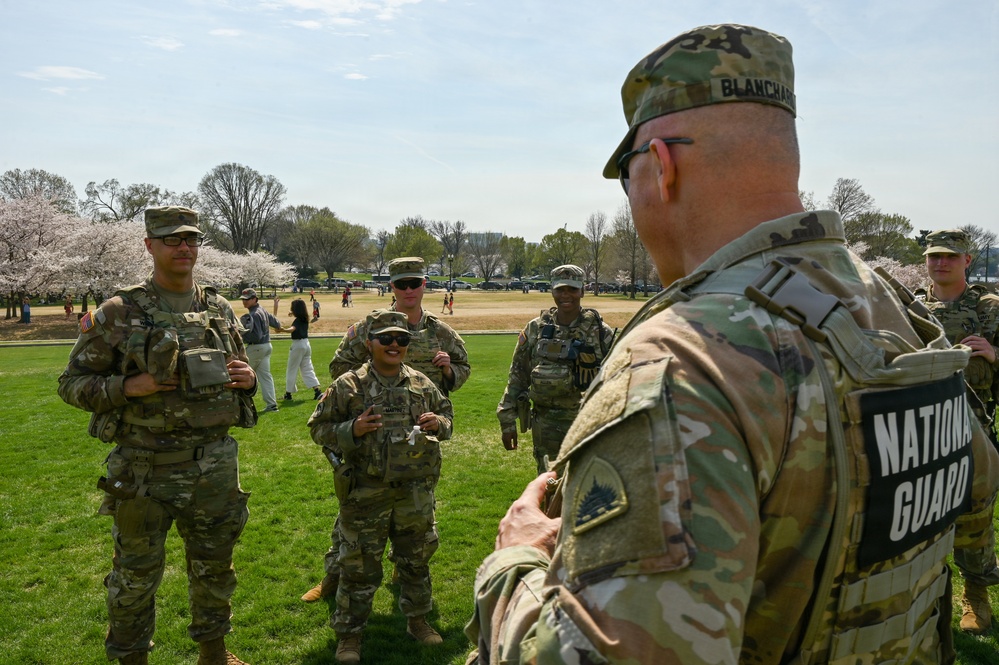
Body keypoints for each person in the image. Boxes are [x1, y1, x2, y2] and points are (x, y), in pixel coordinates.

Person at [465, 24, 999, 664]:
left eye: (626, 177)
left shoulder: (683, 358)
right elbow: (974, 487)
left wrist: (515, 562)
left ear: (661, 167)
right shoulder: (888, 304)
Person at [57, 206, 256, 665]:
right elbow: (70, 384)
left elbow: (238, 370)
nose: (183, 247)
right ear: (150, 245)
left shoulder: (218, 307)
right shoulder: (117, 312)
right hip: (145, 470)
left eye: (190, 239)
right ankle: (132, 658)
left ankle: (214, 652)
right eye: (171, 239)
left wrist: (244, 379)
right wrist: (129, 387)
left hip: (213, 465)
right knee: (135, 575)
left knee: (214, 567)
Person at [301, 256, 471, 603]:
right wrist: (369, 388)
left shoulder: (439, 332)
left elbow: (463, 368)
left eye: (415, 283)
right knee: (353, 515)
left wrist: (449, 369)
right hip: (371, 438)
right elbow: (338, 367)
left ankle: (403, 571)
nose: (409, 290)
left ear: (425, 284)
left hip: (417, 443)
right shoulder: (368, 327)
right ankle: (333, 576)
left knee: (416, 515)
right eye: (401, 284)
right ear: (391, 286)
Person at [308, 309, 454, 664]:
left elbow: (448, 419)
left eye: (401, 339)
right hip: (365, 493)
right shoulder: (348, 385)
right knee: (358, 567)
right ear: (370, 343)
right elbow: (317, 428)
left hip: (414, 492)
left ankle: (417, 621)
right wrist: (351, 430)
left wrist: (439, 423)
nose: (394, 345)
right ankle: (349, 637)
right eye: (385, 339)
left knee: (416, 560)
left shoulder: (421, 382)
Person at [916, 228, 999, 633]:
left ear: (967, 260)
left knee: (973, 515)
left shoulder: (989, 309)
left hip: (973, 430)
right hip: (919, 430)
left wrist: (996, 354)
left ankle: (976, 596)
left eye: (950, 256)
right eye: (934, 256)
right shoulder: (909, 308)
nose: (940, 263)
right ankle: (922, 595)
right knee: (918, 515)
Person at [496, 264, 615, 473]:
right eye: (560, 289)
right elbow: (517, 375)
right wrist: (507, 422)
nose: (565, 295)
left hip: (585, 425)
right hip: (545, 427)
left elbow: (617, 382)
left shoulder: (600, 333)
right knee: (548, 487)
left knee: (586, 490)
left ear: (582, 291)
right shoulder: (535, 329)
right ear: (552, 291)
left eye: (572, 289)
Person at [239, 287, 290, 414]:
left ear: (255, 299)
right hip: (267, 346)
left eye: (247, 299)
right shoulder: (262, 310)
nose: (244, 302)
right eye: (243, 299)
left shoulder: (254, 314)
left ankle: (241, 407)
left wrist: (240, 334)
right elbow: (277, 323)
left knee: (242, 375)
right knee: (265, 377)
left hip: (256, 347)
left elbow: (256, 336)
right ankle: (272, 405)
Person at [284, 297, 322, 401]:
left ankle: (288, 393)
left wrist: (283, 330)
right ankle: (317, 391)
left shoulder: (297, 321)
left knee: (292, 369)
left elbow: (293, 329)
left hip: (297, 345)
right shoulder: (305, 318)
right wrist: (291, 312)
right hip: (306, 343)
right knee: (307, 368)